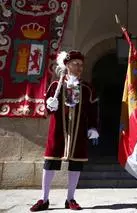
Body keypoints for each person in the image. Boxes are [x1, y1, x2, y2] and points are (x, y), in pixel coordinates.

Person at [30, 50, 99, 211]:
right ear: (67, 65)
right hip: (59, 129)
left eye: (81, 65)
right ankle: (44, 198)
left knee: (76, 164)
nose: (79, 67)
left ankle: (70, 199)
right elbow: (46, 110)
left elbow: (93, 110)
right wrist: (50, 106)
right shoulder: (56, 85)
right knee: (50, 162)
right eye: (76, 64)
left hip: (78, 131)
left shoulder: (87, 88)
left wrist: (93, 127)